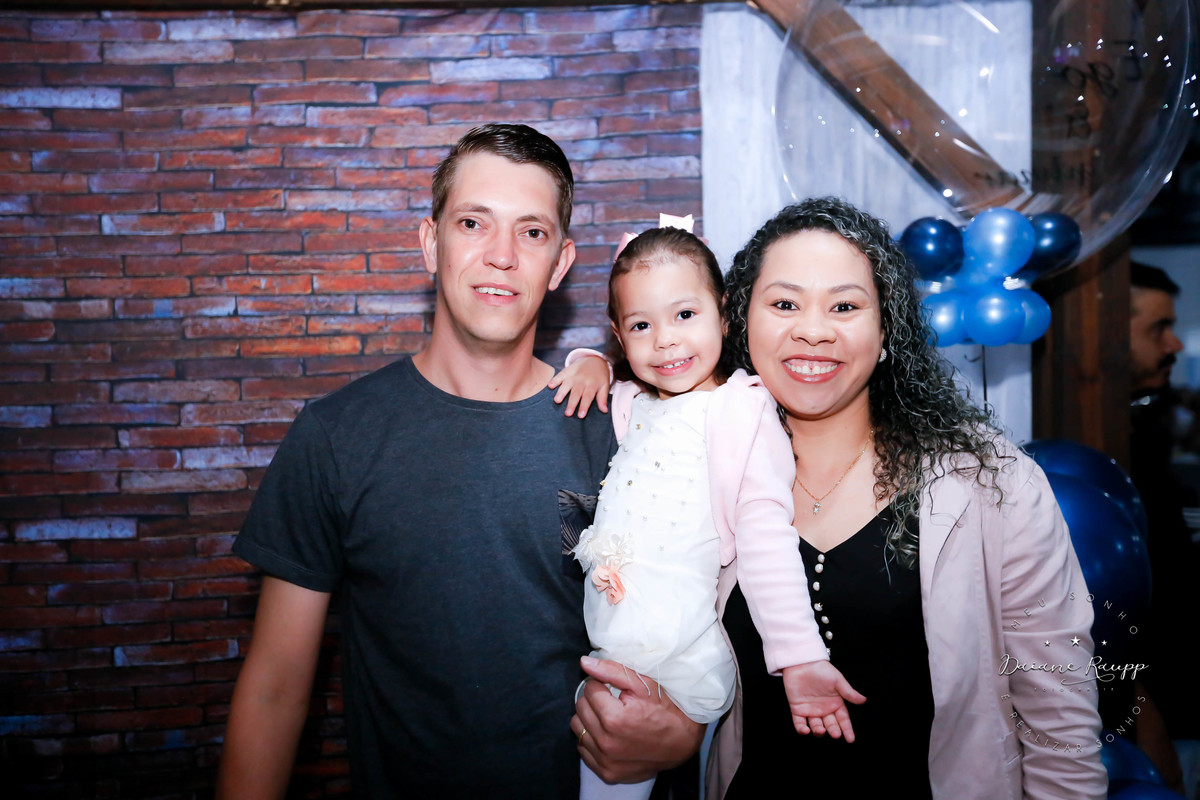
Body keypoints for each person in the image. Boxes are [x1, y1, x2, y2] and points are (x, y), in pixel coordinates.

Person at [214, 124, 703, 799]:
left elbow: (697, 621)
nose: (501, 256)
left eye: (531, 232)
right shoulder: (336, 436)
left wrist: (685, 732)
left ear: (559, 263)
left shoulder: (622, 431)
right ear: (431, 242)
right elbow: (273, 689)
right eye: (474, 223)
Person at [708, 197, 1106, 799]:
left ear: (887, 329)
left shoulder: (990, 481)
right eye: (784, 304)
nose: (813, 330)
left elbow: (1060, 718)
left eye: (845, 306)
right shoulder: (703, 465)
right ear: (740, 321)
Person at [555, 227, 864, 799]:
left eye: (684, 315)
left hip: (681, 656)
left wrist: (799, 659)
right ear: (620, 336)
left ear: (723, 315)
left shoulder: (742, 410)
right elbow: (604, 377)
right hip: (612, 650)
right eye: (642, 326)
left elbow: (768, 540)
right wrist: (589, 361)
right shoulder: (634, 401)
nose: (666, 341)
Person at [1129, 262, 1199, 798]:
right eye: (1159, 329)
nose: (1174, 344)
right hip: (1149, 724)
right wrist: (1142, 712)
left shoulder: (1146, 423)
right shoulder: (1097, 438)